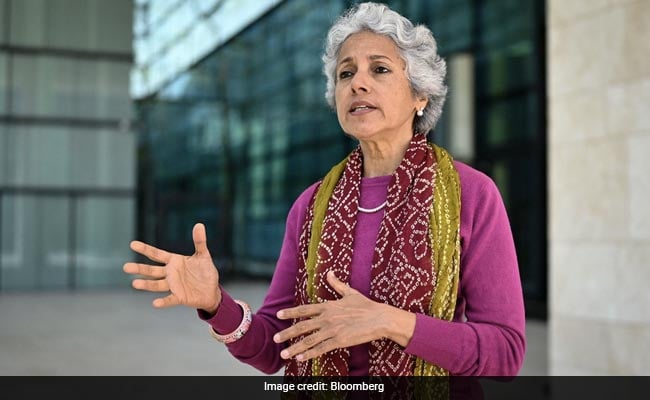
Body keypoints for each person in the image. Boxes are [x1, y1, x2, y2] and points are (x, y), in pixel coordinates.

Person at [123, 2, 525, 378]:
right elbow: (276, 347)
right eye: (346, 74)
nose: (358, 84)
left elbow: (505, 352)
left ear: (420, 94)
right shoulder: (312, 205)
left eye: (379, 69)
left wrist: (389, 321)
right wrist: (215, 303)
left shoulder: (471, 194)